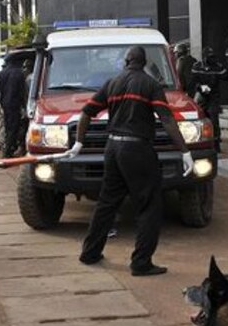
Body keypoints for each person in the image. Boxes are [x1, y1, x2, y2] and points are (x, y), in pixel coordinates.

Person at [75, 46, 193, 277]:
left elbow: (86, 112)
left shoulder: (112, 83)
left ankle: (89, 252)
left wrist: (79, 142)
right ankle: (141, 262)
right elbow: (166, 118)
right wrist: (185, 151)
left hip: (112, 148)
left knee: (107, 202)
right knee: (150, 204)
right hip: (137, 148)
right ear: (144, 62)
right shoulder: (150, 85)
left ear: (126, 61)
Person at [191, 47, 227, 152]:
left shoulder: (217, 66)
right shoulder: (197, 66)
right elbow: (192, 80)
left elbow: (225, 75)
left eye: (212, 56)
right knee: (201, 118)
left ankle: (216, 143)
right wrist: (200, 87)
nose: (211, 59)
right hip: (201, 95)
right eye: (209, 57)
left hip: (214, 96)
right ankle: (203, 141)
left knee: (213, 117)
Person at [0, 54, 28, 158]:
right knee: (13, 128)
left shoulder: (1, 73)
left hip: (4, 104)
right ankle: (8, 151)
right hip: (15, 104)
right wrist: (25, 106)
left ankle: (7, 149)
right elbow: (23, 91)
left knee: (7, 127)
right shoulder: (20, 73)